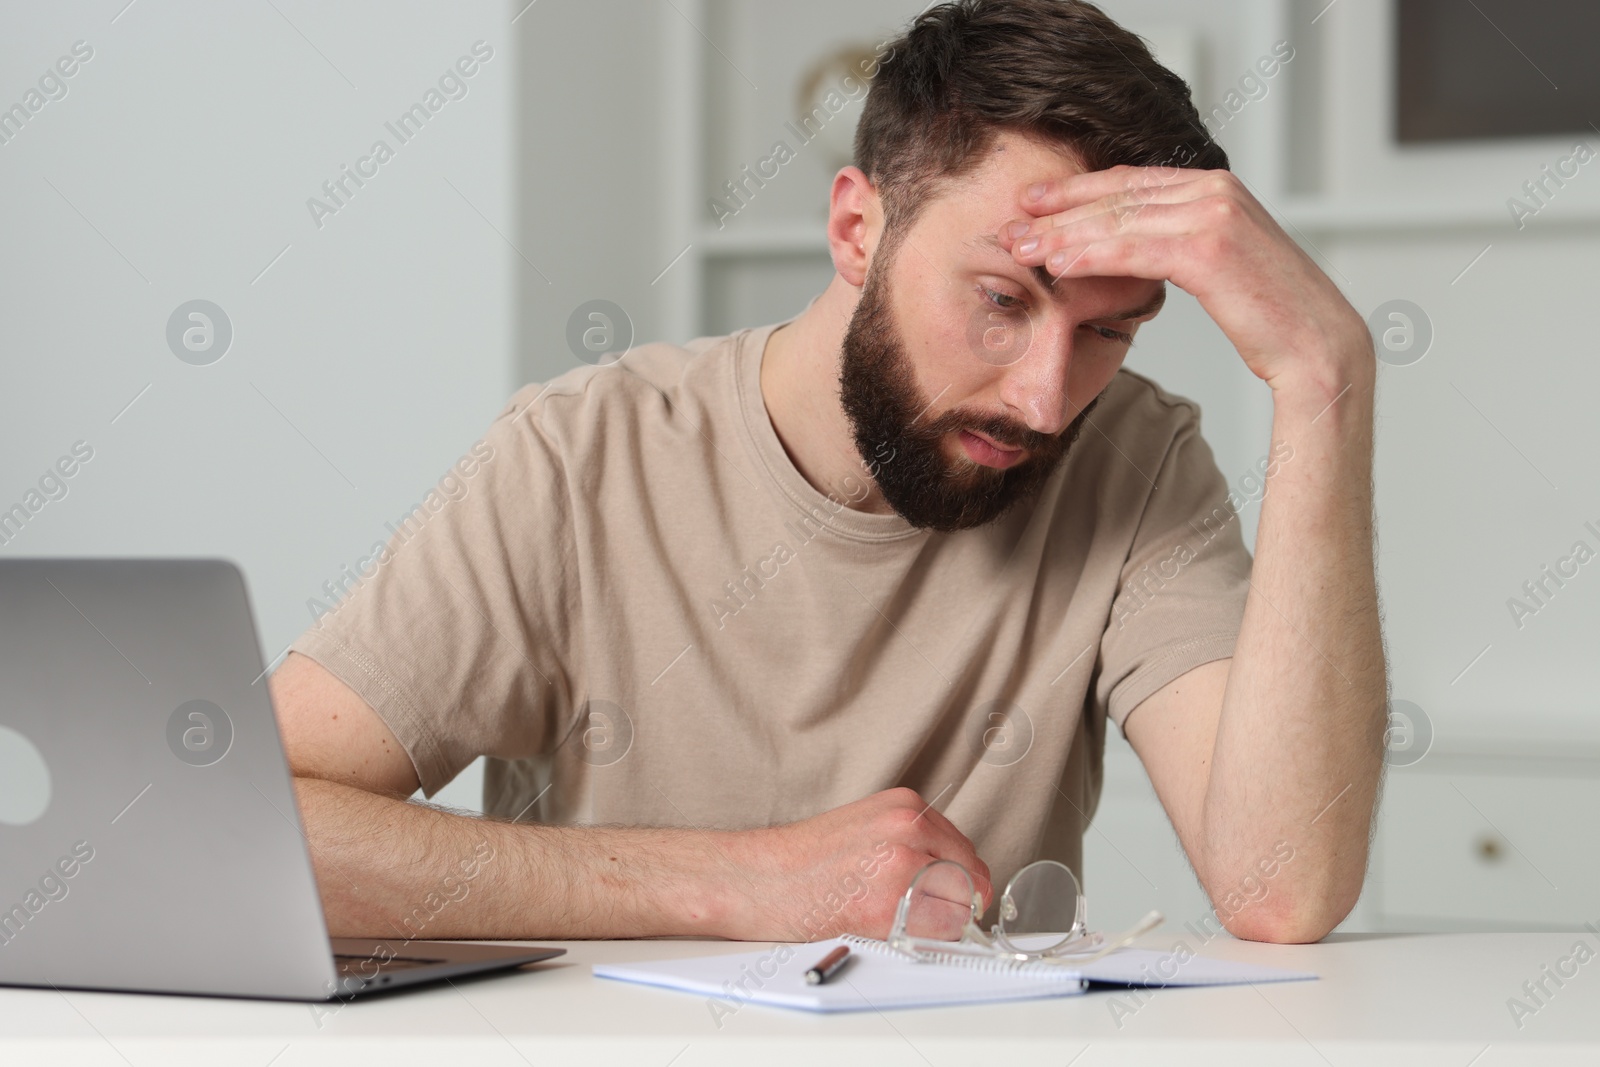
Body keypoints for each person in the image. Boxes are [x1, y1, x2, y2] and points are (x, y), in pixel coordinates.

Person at [272, 0, 1387, 945]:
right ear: (858, 227)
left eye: (1110, 331)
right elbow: (246, 819)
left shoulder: (1134, 461)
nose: (1046, 398)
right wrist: (734, 882)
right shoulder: (579, 455)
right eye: (1002, 300)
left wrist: (1323, 378)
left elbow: (1277, 887)